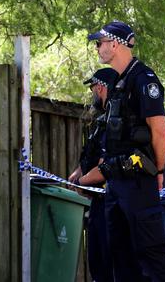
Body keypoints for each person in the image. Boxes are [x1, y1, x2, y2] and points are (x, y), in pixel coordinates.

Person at [80, 20, 165, 282]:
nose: (98, 48)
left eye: (100, 43)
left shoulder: (143, 79)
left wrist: (158, 171)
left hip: (138, 182)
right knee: (120, 257)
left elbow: (159, 131)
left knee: (151, 255)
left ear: (115, 44)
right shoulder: (119, 83)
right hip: (116, 184)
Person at [68, 68, 117, 282]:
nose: (92, 93)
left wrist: (82, 182)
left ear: (101, 87)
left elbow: (104, 167)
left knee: (107, 263)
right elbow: (91, 153)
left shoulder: (114, 120)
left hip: (110, 202)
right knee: (96, 261)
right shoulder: (101, 120)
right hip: (97, 203)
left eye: (93, 88)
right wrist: (78, 172)